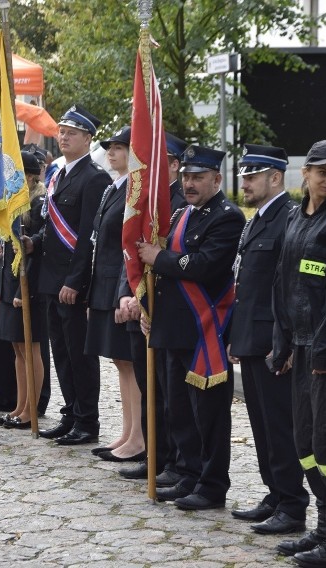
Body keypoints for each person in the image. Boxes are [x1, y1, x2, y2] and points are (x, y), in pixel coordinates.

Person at [137, 144, 245, 511]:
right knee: (178, 410)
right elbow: (163, 276)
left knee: (209, 416)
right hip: (174, 327)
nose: (189, 183)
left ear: (217, 178)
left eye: (198, 177)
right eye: (185, 176)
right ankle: (187, 473)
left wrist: (161, 257)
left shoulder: (227, 217)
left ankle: (212, 484)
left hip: (205, 332)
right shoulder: (182, 212)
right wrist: (148, 306)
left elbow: (205, 265)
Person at [270, 141, 326, 567]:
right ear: (305, 173)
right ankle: (322, 528)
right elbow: (282, 282)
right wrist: (281, 341)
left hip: (325, 352)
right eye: (323, 170)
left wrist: (325, 348)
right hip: (298, 347)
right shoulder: (292, 217)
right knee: (304, 442)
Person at [227, 144, 308, 534]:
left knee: (279, 425)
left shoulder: (288, 219)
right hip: (252, 336)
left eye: (252, 176)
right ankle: (275, 493)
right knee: (260, 423)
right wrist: (235, 336)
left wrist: (286, 342)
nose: (244, 182)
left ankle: (293, 504)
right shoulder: (257, 218)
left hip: (274, 341)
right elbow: (246, 283)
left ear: (276, 178)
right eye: (244, 175)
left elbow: (289, 287)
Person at [22, 105, 111, 446]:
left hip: (71, 282)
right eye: (61, 132)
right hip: (50, 277)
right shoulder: (58, 174)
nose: (63, 137)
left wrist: (75, 281)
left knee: (79, 354)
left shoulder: (94, 177)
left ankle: (87, 420)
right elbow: (53, 228)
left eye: (72, 133)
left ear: (88, 138)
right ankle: (71, 413)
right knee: (60, 351)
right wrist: (34, 242)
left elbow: (88, 234)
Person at [117, 131, 188, 482]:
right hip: (138, 307)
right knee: (150, 390)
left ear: (172, 165)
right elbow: (128, 251)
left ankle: (172, 461)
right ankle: (154, 456)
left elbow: (171, 258)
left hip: (163, 309)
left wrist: (142, 297)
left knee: (166, 392)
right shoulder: (144, 201)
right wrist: (126, 294)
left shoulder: (178, 204)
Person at [85, 126, 143, 462]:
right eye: (110, 147)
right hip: (105, 283)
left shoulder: (135, 191)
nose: (112, 152)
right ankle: (127, 431)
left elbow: (128, 246)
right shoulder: (113, 189)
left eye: (120, 147)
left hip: (119, 284)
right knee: (120, 362)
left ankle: (138, 437)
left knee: (129, 362)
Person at [0, 151, 51, 429]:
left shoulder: (39, 202)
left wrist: (21, 291)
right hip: (10, 281)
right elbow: (5, 248)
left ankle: (32, 408)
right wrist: (0, 286)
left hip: (30, 284)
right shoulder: (15, 202)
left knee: (31, 348)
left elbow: (36, 250)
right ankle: (20, 405)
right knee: (17, 348)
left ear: (29, 177)